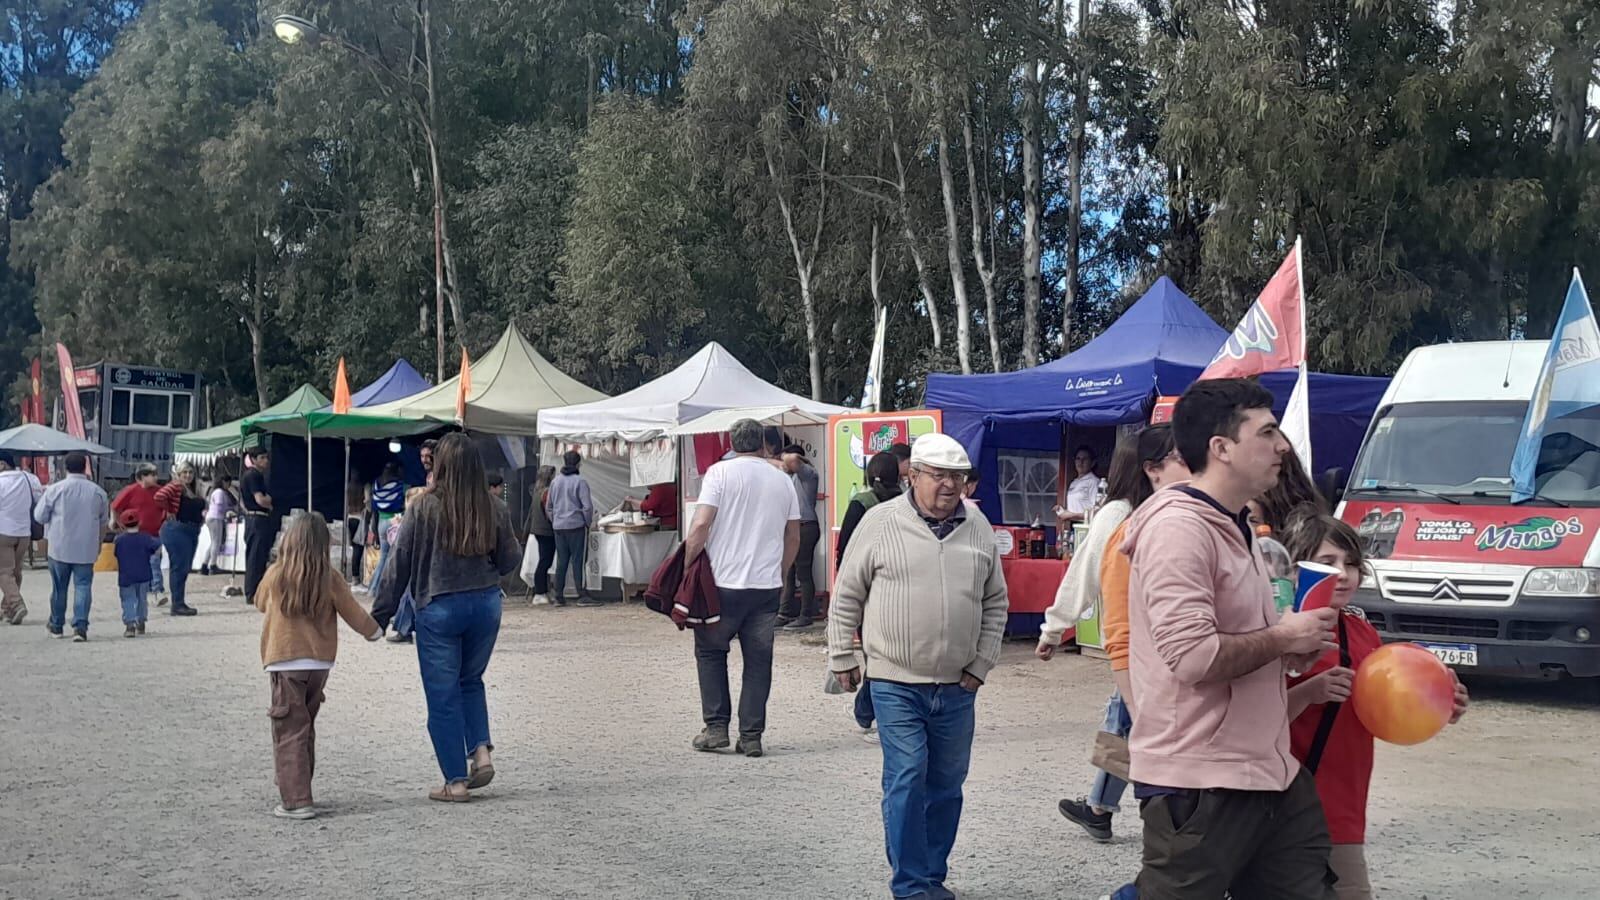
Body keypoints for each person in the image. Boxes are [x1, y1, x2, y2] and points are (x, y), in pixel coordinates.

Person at [1122, 378, 1340, 899]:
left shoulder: (1238, 525)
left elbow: (1245, 641)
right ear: (1220, 448)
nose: (1283, 447)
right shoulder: (1180, 530)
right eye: (1267, 433)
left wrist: (1291, 648)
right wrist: (1283, 635)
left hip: (1269, 773)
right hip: (1199, 781)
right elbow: (1195, 658)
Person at [829, 433, 1009, 900]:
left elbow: (996, 602)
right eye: (940, 475)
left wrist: (982, 662)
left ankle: (931, 876)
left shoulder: (979, 526)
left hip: (958, 685)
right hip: (895, 679)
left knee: (947, 786)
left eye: (959, 477)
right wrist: (841, 654)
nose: (951, 486)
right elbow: (847, 592)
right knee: (907, 776)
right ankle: (910, 886)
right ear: (914, 476)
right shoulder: (880, 521)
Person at [1280, 513, 1469, 900]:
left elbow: (1383, 700)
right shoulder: (1280, 631)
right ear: (1297, 568)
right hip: (1283, 804)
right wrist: (1309, 692)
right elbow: (1246, 719)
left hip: (1343, 803)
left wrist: (1439, 701)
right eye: (1328, 562)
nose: (1344, 574)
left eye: (1351, 563)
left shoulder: (1361, 631)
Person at [1042, 425, 1189, 843]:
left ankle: (1111, 810)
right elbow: (1083, 572)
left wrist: (1054, 628)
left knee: (1127, 720)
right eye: (1177, 455)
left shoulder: (1164, 512)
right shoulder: (1120, 514)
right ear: (1150, 468)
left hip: (1162, 644)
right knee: (1124, 717)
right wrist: (1055, 626)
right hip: (1138, 646)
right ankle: (1102, 808)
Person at [372, 432, 522, 803]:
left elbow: (399, 564)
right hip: (486, 604)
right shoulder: (494, 507)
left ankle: (455, 782)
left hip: (439, 605)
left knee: (443, 696)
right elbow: (510, 560)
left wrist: (380, 615)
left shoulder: (423, 508)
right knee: (470, 680)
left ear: (440, 466)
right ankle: (481, 752)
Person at [682, 418, 800, 758]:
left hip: (722, 583)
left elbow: (702, 523)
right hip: (764, 586)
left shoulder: (719, 474)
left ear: (732, 443)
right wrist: (780, 571)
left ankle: (716, 727)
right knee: (759, 661)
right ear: (763, 443)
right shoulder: (782, 480)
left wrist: (688, 562)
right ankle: (751, 736)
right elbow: (793, 536)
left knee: (710, 651)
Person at [254, 512, 383, 820]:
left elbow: (259, 602)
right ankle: (301, 785)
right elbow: (353, 612)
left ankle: (297, 800)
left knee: (288, 728)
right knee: (305, 725)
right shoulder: (330, 577)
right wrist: (374, 631)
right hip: (319, 663)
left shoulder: (276, 574)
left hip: (283, 660)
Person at [834, 450, 905, 742]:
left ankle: (868, 713)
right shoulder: (906, 504)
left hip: (867, 591)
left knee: (874, 654)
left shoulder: (860, 504)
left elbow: (845, 551)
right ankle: (869, 713)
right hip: (900, 589)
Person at [33, 451, 107, 638]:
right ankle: (80, 626)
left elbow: (39, 516)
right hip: (86, 548)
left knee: (59, 587)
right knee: (83, 586)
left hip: (59, 547)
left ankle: (57, 625)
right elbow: (103, 522)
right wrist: (98, 544)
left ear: (65, 468)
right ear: (85, 467)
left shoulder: (55, 489)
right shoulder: (98, 491)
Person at [778, 444, 821, 630]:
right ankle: (784, 613)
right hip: (793, 527)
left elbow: (793, 460)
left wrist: (787, 458)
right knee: (788, 572)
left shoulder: (808, 472)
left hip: (806, 526)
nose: (783, 463)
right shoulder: (790, 477)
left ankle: (806, 615)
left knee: (803, 573)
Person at [111, 463, 167, 605]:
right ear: (142, 477)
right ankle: (147, 591)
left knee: (154, 562)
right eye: (152, 474)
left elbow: (167, 509)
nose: (155, 477)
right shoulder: (130, 491)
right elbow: (115, 507)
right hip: (134, 535)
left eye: (155, 474)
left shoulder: (160, 492)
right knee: (142, 565)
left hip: (154, 534)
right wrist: (117, 523)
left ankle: (157, 590)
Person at [155, 462, 206, 616]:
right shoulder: (176, 485)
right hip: (178, 529)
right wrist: (168, 510)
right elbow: (159, 496)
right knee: (179, 567)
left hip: (190, 529)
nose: (188, 475)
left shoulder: (192, 488)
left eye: (190, 472)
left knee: (183, 567)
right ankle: (177, 604)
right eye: (184, 472)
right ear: (178, 473)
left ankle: (179, 602)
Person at [0, 450, 44, 625]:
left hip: (3, 532)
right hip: (24, 533)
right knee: (16, 572)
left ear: (2, 464)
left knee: (4, 572)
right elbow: (39, 500)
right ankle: (7, 609)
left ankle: (17, 605)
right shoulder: (30, 478)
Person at [546, 451, 595, 605]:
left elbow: (549, 507)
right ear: (579, 464)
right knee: (577, 561)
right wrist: (588, 522)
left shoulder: (555, 482)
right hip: (576, 526)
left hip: (559, 527)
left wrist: (555, 521)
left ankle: (558, 595)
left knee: (562, 561)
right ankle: (581, 594)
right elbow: (587, 507)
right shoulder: (580, 482)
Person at [239, 449, 280, 606]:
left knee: (254, 555)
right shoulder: (254, 476)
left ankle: (253, 590)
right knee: (256, 557)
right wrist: (269, 501)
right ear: (254, 459)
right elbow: (261, 500)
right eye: (262, 458)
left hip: (251, 517)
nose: (266, 461)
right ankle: (253, 592)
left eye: (266, 458)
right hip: (258, 519)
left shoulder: (248, 476)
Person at [113, 510, 161, 640]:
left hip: (126, 576)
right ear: (139, 522)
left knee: (128, 600)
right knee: (142, 599)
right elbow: (156, 546)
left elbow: (116, 554)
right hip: (144, 574)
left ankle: (130, 625)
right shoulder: (145, 537)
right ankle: (141, 622)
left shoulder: (119, 540)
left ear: (123, 524)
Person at [365, 463, 406, 594]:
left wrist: (375, 532)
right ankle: (378, 589)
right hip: (394, 522)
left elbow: (374, 509)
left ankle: (372, 587)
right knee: (390, 558)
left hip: (380, 522)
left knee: (383, 556)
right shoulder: (401, 486)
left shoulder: (377, 484)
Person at [526, 465, 557, 604]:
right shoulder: (547, 492)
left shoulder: (536, 492)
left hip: (537, 530)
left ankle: (542, 591)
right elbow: (549, 512)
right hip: (546, 530)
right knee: (545, 561)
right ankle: (540, 592)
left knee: (544, 560)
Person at [1056, 444, 1102, 526]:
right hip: (1072, 525)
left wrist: (1072, 515)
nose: (1081, 462)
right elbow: (1076, 507)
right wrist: (1062, 511)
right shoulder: (1074, 482)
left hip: (1087, 526)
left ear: (1092, 463)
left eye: (1085, 459)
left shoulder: (1094, 482)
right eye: (1078, 459)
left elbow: (1097, 512)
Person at [202, 474, 237, 577]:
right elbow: (219, 505)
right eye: (228, 483)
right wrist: (230, 510)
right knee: (216, 542)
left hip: (213, 517)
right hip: (216, 517)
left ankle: (205, 565)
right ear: (224, 482)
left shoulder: (216, 492)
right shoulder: (219, 492)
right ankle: (213, 565)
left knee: (213, 542)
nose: (228, 486)